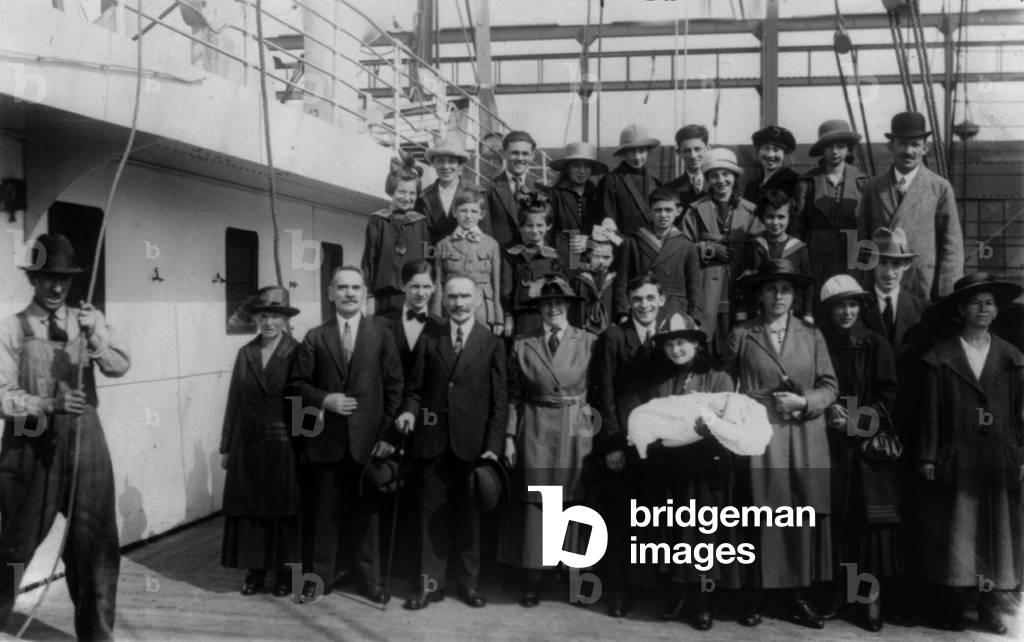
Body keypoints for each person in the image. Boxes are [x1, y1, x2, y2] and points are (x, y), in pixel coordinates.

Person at [0, 234, 131, 641]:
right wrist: (48, 404)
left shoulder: (87, 318)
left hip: (85, 444)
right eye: (48, 279)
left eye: (64, 280)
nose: (57, 288)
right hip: (29, 444)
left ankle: (97, 636)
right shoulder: (11, 329)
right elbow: (2, 396)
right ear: (33, 280)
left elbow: (119, 366)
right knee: (13, 553)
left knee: (97, 547)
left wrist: (95, 337)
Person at [724, 258, 838, 629]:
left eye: (785, 289)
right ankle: (754, 594)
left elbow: (830, 386)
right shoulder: (743, 333)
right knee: (761, 510)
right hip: (760, 433)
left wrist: (806, 402)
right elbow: (723, 383)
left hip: (804, 436)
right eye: (770, 288)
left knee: (799, 513)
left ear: (794, 296)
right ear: (759, 293)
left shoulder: (812, 334)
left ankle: (796, 595)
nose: (778, 295)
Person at [287, 266, 404, 604]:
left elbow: (395, 387)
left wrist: (387, 437)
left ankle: (371, 580)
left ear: (365, 292)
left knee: (367, 515)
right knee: (325, 515)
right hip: (327, 443)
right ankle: (320, 577)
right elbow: (296, 386)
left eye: (355, 287)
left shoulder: (380, 335)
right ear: (331, 293)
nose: (349, 293)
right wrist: (325, 399)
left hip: (369, 443)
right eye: (342, 288)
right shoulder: (315, 336)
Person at [917, 273, 1024, 635]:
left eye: (990, 302)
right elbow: (929, 413)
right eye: (975, 302)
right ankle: (957, 604)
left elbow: (1021, 413)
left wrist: (1021, 455)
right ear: (960, 310)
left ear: (997, 311)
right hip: (957, 458)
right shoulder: (940, 358)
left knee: (998, 535)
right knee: (959, 531)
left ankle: (994, 608)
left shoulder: (1011, 358)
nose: (983, 309)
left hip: (999, 457)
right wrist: (928, 456)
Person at [397, 275, 509, 610]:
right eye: (452, 297)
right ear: (443, 301)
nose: (458, 303)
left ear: (478, 299)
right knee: (430, 517)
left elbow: (500, 401)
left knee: (469, 518)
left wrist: (493, 444)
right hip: (432, 442)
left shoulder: (491, 343)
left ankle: (469, 585)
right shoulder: (431, 338)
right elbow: (415, 388)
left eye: (465, 297)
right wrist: (408, 413)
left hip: (473, 446)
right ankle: (429, 586)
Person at [498, 274, 597, 607]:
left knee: (573, 500)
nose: (553, 309)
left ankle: (574, 575)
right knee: (539, 501)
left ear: (568, 306)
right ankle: (534, 577)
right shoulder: (523, 345)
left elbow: (597, 393)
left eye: (558, 303)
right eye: (546, 304)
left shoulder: (588, 342)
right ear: (539, 309)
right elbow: (512, 394)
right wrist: (510, 436)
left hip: (575, 424)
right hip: (536, 423)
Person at [641, 312, 739, 631]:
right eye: (669, 343)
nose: (676, 349)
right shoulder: (661, 380)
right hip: (674, 466)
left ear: (696, 344)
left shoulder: (717, 377)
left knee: (704, 536)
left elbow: (727, 420)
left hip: (707, 468)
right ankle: (678, 593)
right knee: (675, 534)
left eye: (682, 342)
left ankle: (703, 603)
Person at [816, 275, 901, 632]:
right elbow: (817, 384)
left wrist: (855, 421)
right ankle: (839, 594)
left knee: (869, 526)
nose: (847, 311)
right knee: (839, 520)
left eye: (853, 305)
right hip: (832, 445)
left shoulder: (876, 344)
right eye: (840, 306)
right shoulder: (822, 343)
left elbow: (888, 396)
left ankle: (870, 598)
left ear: (862, 307)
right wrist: (828, 412)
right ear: (830, 311)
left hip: (865, 448)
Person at [219, 286, 303, 598]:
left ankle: (284, 574)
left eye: (275, 316)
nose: (269, 322)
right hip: (248, 445)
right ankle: (255, 572)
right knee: (251, 511)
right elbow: (234, 402)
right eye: (264, 315)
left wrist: (301, 442)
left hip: (284, 446)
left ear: (285, 321)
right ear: (257, 318)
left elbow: (301, 400)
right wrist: (227, 446)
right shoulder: (246, 353)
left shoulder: (297, 352)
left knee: (283, 510)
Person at [591, 275, 666, 617]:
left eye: (651, 298)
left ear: (661, 300)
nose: (645, 305)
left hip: (661, 445)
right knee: (620, 519)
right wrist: (611, 444)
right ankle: (617, 591)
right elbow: (602, 392)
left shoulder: (669, 337)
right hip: (623, 443)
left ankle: (648, 587)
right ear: (629, 303)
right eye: (637, 299)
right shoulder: (613, 337)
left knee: (652, 518)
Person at [856, 111, 964, 301]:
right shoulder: (873, 187)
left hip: (922, 284)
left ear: (925, 148)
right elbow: (862, 239)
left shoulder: (939, 188)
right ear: (891, 146)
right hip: (882, 282)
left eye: (915, 144)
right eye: (902, 144)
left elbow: (951, 245)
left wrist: (947, 291)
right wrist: (861, 283)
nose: (908, 151)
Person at [681, 147, 763, 354]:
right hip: (707, 285)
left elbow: (761, 248)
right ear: (708, 179)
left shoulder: (751, 211)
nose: (721, 180)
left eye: (726, 174)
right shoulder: (695, 210)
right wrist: (707, 249)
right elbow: (682, 248)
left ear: (735, 177)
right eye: (714, 175)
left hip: (740, 287)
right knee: (709, 339)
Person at [792, 119, 867, 289]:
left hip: (851, 251)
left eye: (840, 146)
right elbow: (798, 226)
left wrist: (865, 267)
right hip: (816, 250)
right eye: (829, 147)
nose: (834, 152)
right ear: (822, 150)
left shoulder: (863, 182)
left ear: (848, 149)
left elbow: (867, 229)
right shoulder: (807, 182)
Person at [614, 188, 703, 324]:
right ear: (649, 211)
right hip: (641, 308)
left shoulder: (686, 245)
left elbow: (695, 287)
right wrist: (623, 313)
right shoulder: (633, 241)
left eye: (668, 210)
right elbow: (622, 281)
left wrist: (694, 318)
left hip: (675, 310)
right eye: (658, 210)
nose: (663, 215)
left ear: (678, 212)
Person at [362, 158, 429, 315]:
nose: (407, 197)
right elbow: (369, 260)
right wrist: (369, 295)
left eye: (412, 193)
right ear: (392, 191)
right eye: (402, 192)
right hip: (383, 298)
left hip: (415, 297)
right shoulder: (377, 220)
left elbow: (427, 257)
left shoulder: (421, 223)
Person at [432, 186, 504, 333]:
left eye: (474, 211)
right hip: (452, 307)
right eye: (463, 210)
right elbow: (439, 283)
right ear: (454, 212)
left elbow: (496, 284)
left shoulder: (491, 244)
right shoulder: (443, 244)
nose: (468, 216)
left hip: (482, 309)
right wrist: (435, 316)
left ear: (482, 214)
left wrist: (498, 318)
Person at [742, 189, 813, 321]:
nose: (775, 223)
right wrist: (743, 312)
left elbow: (807, 286)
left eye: (781, 217)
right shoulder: (754, 246)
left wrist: (808, 313)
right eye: (770, 216)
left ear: (790, 217)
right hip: (758, 313)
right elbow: (744, 282)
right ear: (762, 217)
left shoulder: (799, 249)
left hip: (792, 313)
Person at [501, 190, 563, 337]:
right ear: (521, 226)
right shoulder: (513, 254)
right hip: (523, 316)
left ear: (549, 226)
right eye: (529, 226)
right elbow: (506, 289)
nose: (535, 231)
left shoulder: (554, 255)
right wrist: (508, 316)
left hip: (550, 314)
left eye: (540, 225)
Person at [860, 227, 927, 350]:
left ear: (907, 265)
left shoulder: (920, 309)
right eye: (882, 262)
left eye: (896, 264)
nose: (889, 272)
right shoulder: (859, 306)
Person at [379, 259, 446, 378]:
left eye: (426, 287)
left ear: (434, 288)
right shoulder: (381, 324)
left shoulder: (442, 327)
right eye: (415, 286)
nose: (421, 293)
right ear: (402, 286)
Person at [548, 141, 607, 269]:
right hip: (562, 261)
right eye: (576, 166)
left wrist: (589, 241)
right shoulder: (555, 194)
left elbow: (605, 230)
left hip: (592, 259)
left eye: (586, 167)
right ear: (568, 168)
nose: (582, 171)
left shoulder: (598, 195)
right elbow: (548, 232)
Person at [595, 124, 662, 236]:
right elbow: (606, 224)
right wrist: (624, 247)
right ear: (623, 153)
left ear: (648, 151)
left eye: (641, 151)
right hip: (622, 249)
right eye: (631, 151)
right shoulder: (610, 181)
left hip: (653, 248)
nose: (637, 157)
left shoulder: (656, 183)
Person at [484, 130, 538, 250]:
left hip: (532, 261)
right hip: (502, 260)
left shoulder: (541, 190)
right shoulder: (489, 190)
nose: (520, 158)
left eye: (525, 154)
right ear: (503, 153)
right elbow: (485, 233)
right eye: (515, 153)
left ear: (532, 156)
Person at [418, 135, 471, 244]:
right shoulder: (424, 197)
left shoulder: (477, 193)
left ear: (459, 164)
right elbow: (422, 239)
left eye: (451, 161)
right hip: (434, 259)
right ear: (433, 164)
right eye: (440, 161)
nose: (446, 166)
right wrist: (427, 259)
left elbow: (485, 238)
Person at [569, 228, 620, 335]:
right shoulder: (580, 279)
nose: (601, 261)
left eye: (606, 257)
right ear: (588, 255)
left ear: (613, 258)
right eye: (596, 256)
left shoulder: (616, 280)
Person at [743, 126, 800, 204]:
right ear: (758, 151)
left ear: (785, 153)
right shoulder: (751, 187)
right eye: (766, 148)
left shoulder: (795, 182)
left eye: (776, 150)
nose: (770, 155)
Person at [663, 124, 711, 214]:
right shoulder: (670, 189)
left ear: (708, 149)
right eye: (687, 151)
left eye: (697, 149)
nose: (693, 156)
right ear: (679, 153)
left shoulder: (719, 183)